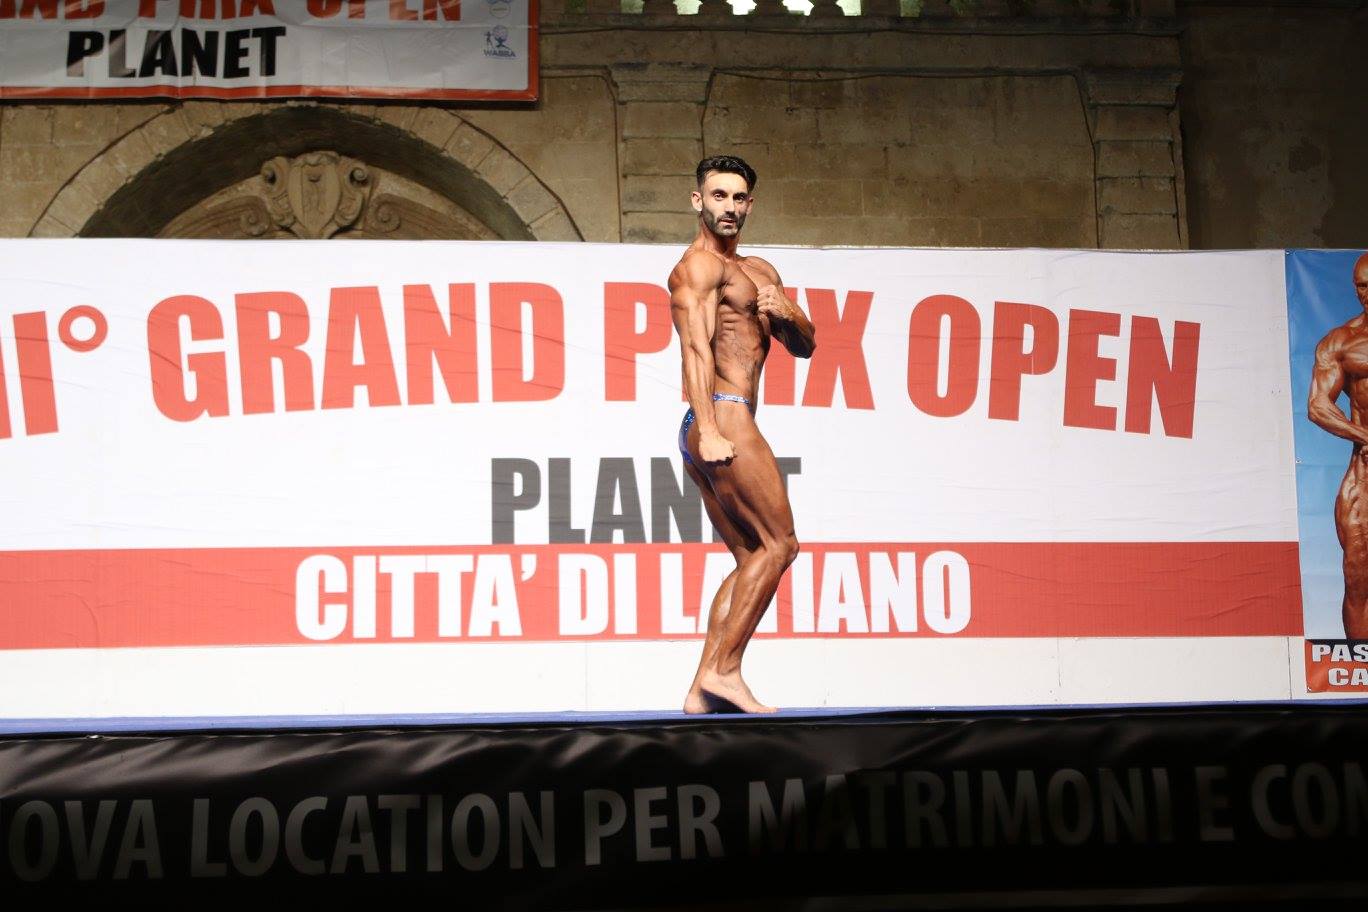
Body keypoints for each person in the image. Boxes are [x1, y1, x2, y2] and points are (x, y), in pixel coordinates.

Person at [669, 155, 817, 713]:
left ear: (749, 204)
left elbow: (804, 346)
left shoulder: (759, 270)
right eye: (718, 196)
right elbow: (695, 349)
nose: (728, 207)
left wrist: (789, 312)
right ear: (698, 201)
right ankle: (724, 671)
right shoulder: (697, 267)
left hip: (725, 417)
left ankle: (700, 688)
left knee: (754, 554)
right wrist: (709, 428)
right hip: (721, 413)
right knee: (782, 545)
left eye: (737, 198)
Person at [1308, 251, 1368, 638]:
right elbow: (1318, 405)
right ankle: (1362, 669)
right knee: (1358, 580)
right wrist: (1364, 436)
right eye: (1362, 286)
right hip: (1365, 478)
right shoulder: (1342, 342)